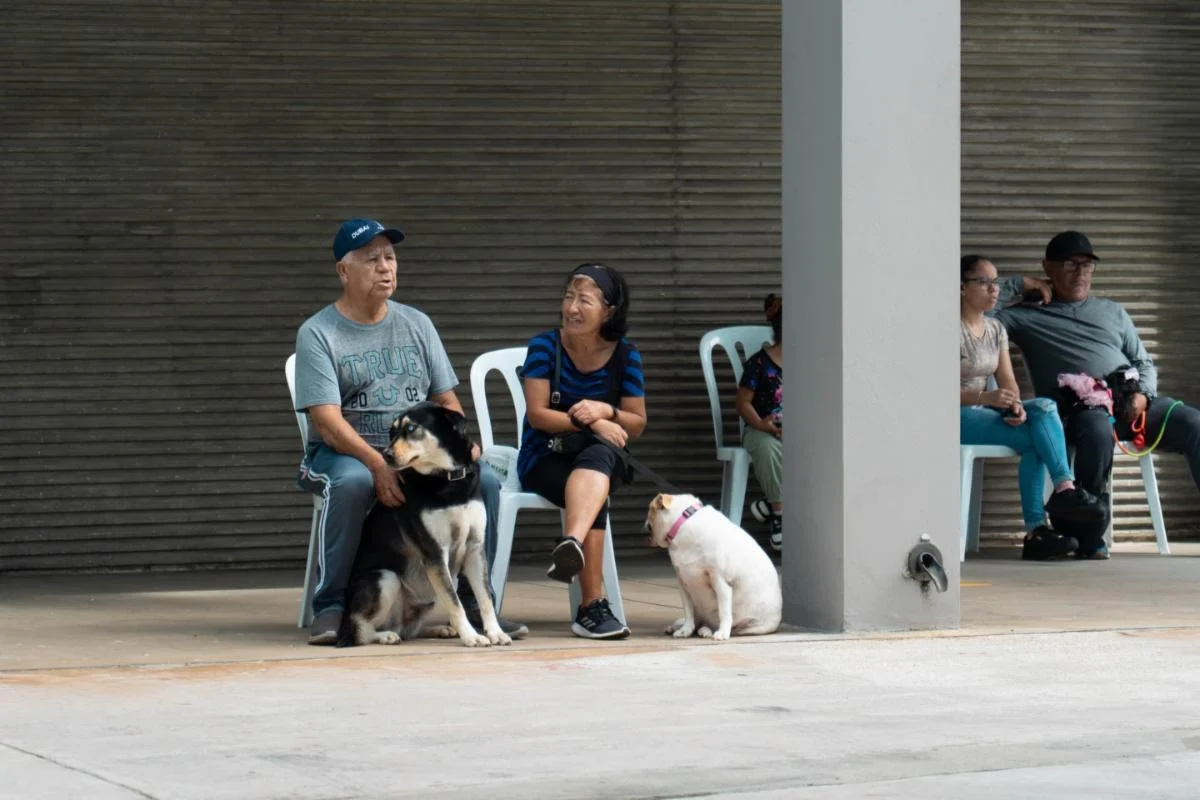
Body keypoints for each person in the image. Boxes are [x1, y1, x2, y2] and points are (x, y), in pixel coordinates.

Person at [293, 218, 526, 644]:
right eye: (372, 260)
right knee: (351, 484)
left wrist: (462, 448)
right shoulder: (319, 333)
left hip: (416, 454)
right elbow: (326, 421)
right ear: (343, 271)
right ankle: (330, 607)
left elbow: (446, 401)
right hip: (344, 454)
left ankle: (478, 605)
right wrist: (377, 463)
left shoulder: (417, 323)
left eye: (390, 257)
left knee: (486, 481)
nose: (386, 268)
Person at [990, 230, 1200, 558]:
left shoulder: (1113, 311)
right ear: (1048, 267)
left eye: (1087, 265)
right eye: (1071, 264)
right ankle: (1089, 533)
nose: (1080, 273)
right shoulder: (1024, 317)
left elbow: (1144, 362)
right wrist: (1022, 284)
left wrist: (1143, 394)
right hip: (1080, 412)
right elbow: (974, 313)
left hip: (1132, 402)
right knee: (1096, 427)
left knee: (1192, 421)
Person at [518, 263, 646, 640]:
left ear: (608, 310)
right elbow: (539, 415)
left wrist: (606, 411)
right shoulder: (545, 345)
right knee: (598, 488)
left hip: (596, 460)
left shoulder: (626, 355)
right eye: (569, 297)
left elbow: (636, 422)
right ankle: (591, 605)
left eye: (584, 300)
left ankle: (570, 544)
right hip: (545, 457)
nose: (572, 307)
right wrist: (588, 423)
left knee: (601, 456)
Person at [960, 254, 1104, 560]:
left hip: (985, 410)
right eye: (983, 282)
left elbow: (1008, 382)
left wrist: (1014, 405)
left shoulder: (996, 329)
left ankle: (1053, 503)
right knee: (1038, 440)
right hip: (953, 416)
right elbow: (928, 392)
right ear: (961, 288)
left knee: (1043, 408)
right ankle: (1045, 517)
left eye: (996, 282)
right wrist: (985, 399)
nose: (994, 289)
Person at [737, 293, 784, 551]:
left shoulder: (810, 363)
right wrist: (761, 424)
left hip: (795, 431)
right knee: (768, 448)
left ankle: (773, 504)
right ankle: (779, 513)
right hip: (760, 428)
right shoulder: (759, 362)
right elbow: (743, 403)